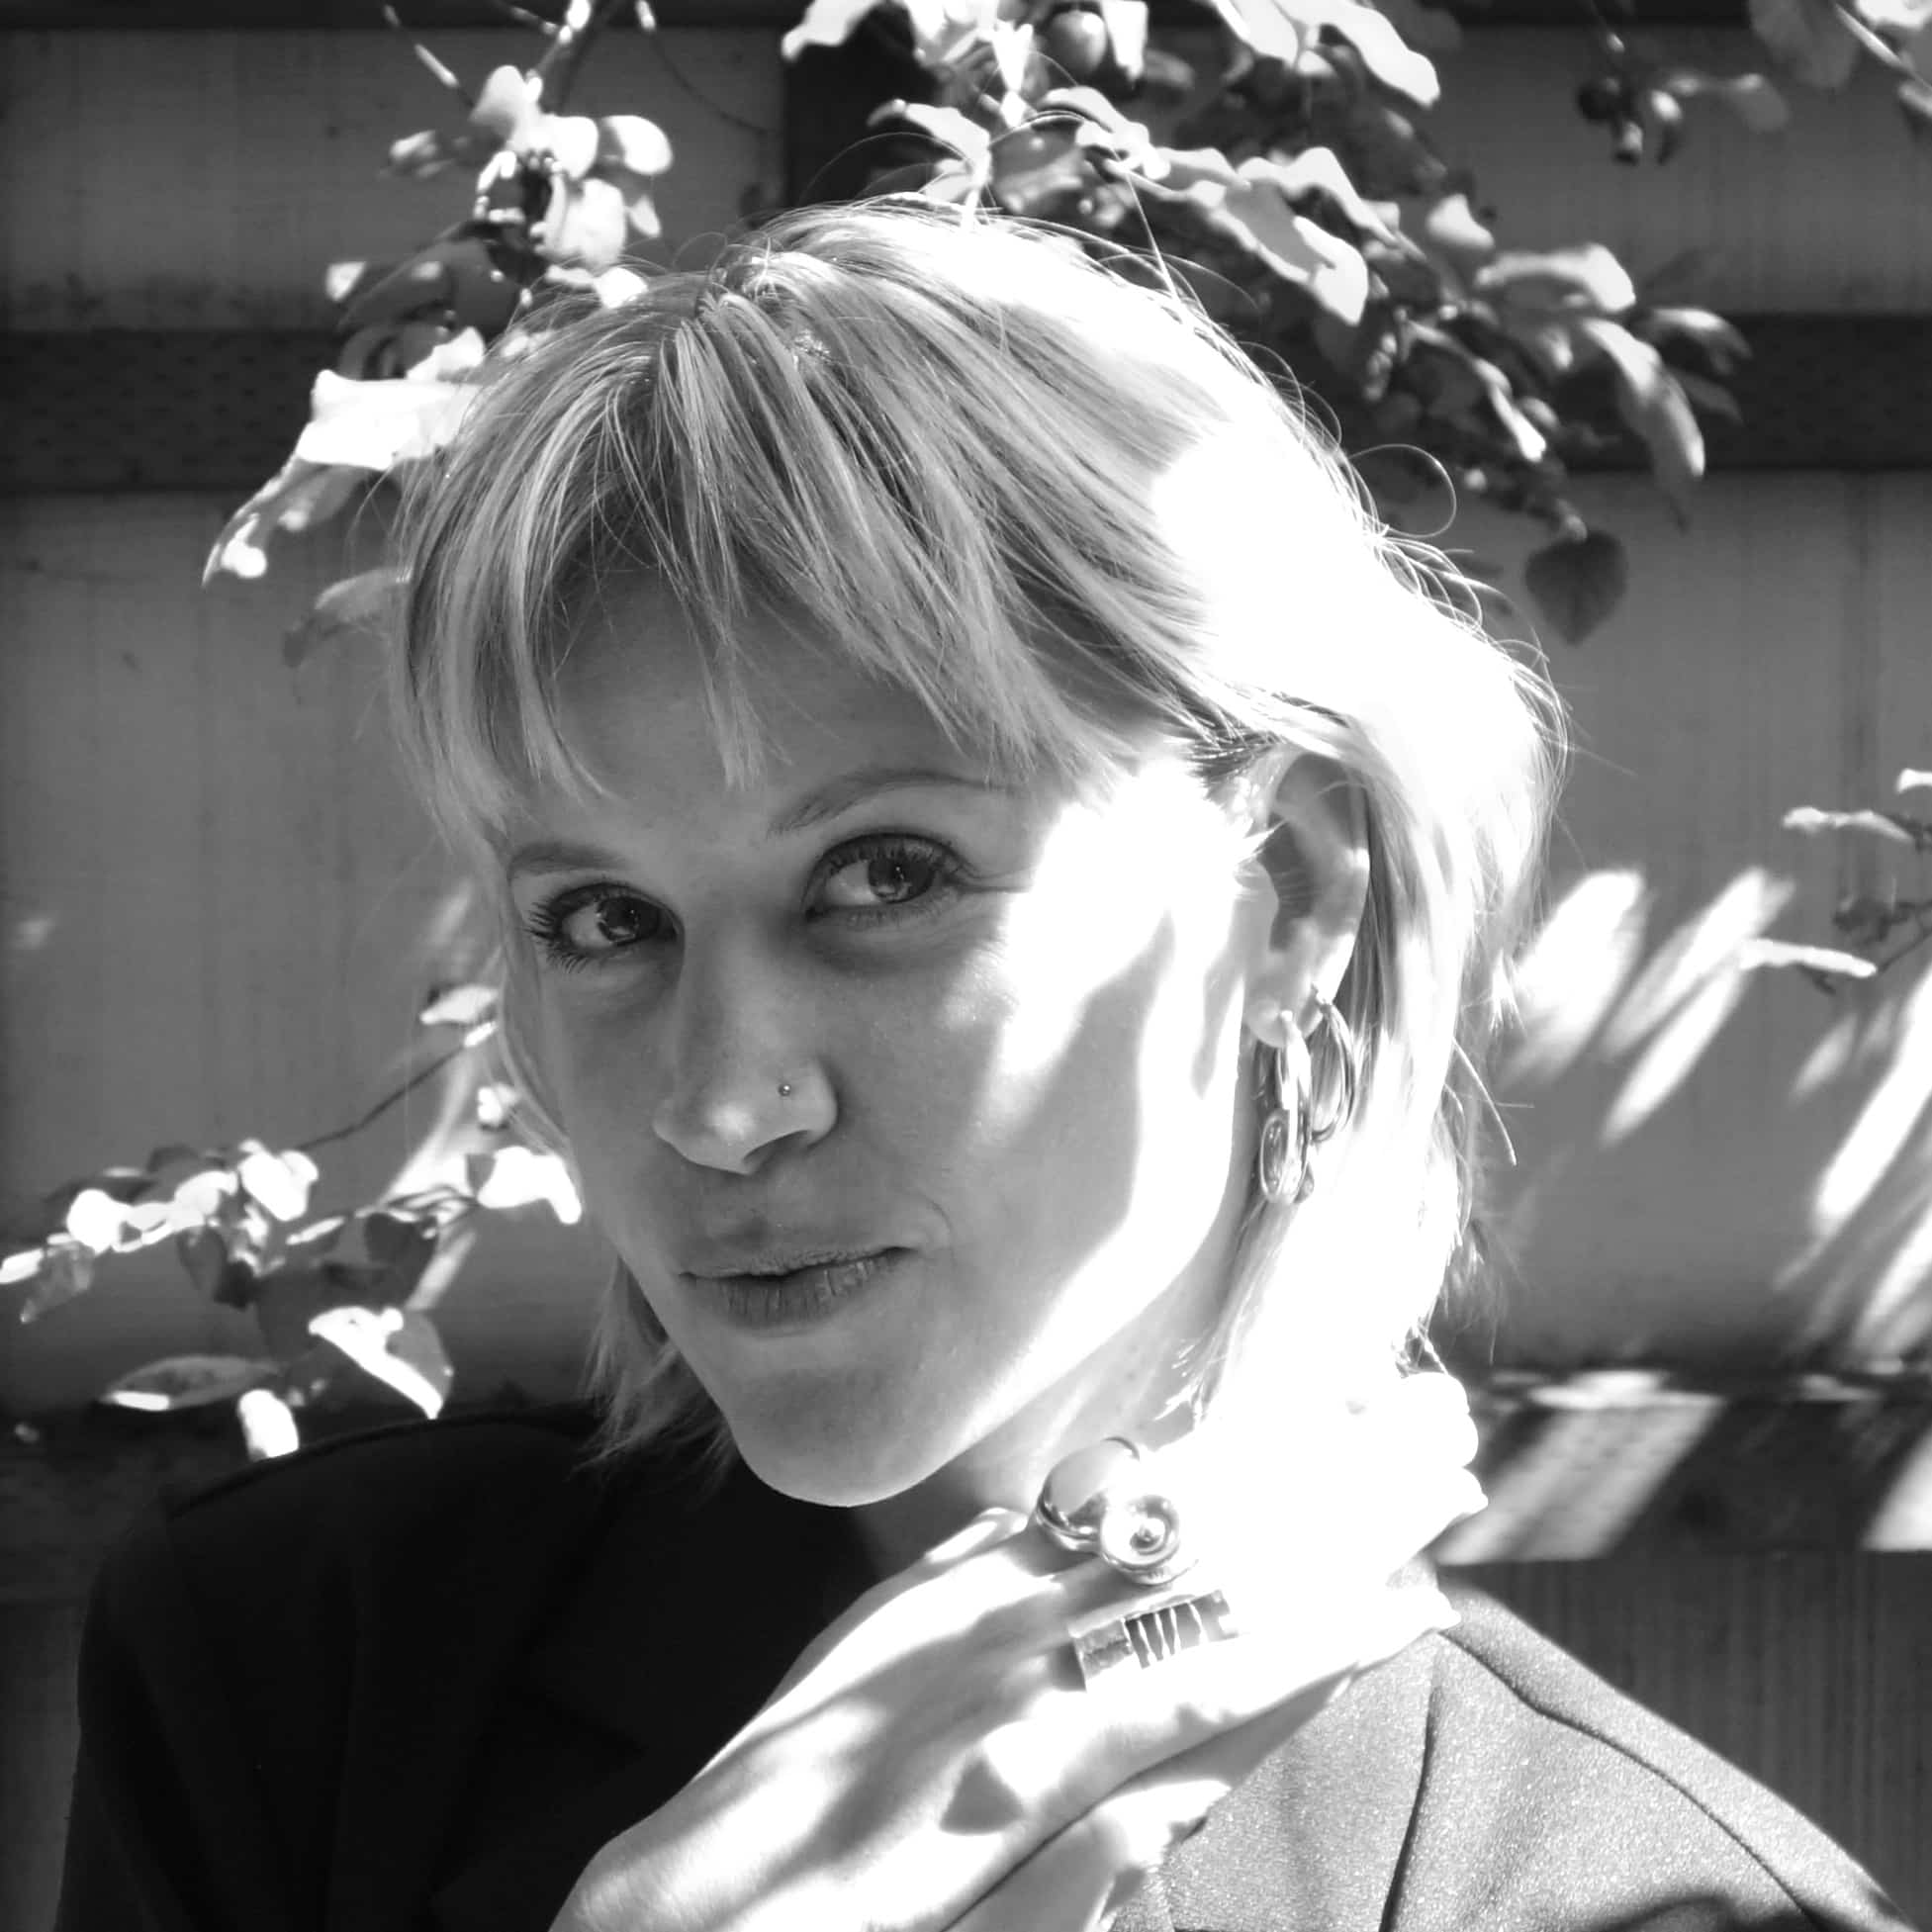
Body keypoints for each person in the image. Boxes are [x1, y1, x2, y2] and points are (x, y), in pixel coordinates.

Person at [55, 198, 1914, 1932]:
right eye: (604, 917)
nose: (719, 1103)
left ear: (1290, 887)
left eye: (887, 875)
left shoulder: (1642, 1894)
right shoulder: (295, 1672)